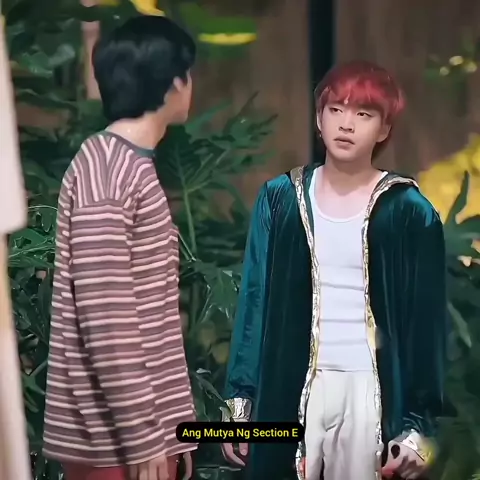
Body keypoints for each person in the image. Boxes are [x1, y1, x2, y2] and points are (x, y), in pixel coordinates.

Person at [221, 61, 447, 480]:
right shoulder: (279, 199)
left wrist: (419, 427)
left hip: (369, 388)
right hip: (290, 383)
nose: (346, 124)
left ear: (384, 128)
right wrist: (240, 400)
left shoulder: (409, 211)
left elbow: (426, 325)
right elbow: (254, 301)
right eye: (336, 110)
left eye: (363, 114)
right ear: (318, 118)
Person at [43, 15, 197, 480]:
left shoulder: (125, 164)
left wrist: (173, 431)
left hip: (135, 438)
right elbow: (106, 318)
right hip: (114, 444)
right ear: (172, 83)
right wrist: (145, 437)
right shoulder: (108, 169)